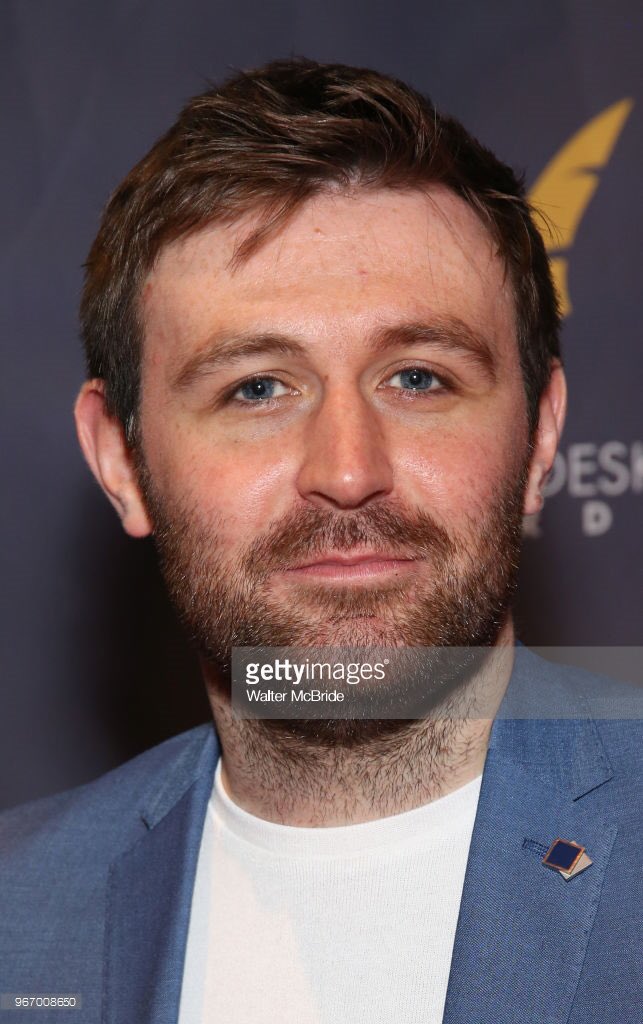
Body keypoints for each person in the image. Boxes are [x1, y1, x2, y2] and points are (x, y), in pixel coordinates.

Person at [0, 58, 640, 1024]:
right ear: (121, 460)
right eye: (256, 387)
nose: (347, 470)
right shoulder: (20, 912)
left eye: (417, 377)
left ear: (541, 433)